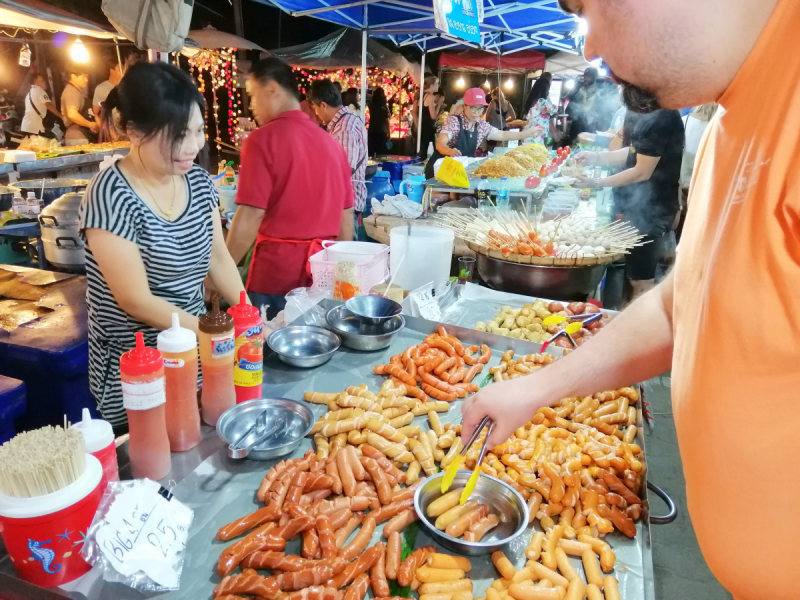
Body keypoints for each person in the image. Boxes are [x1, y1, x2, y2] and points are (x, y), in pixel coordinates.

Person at [462, 0, 799, 598]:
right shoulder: (733, 115)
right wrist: (537, 388)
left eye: (588, 8)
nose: (588, 48)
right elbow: (681, 307)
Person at [79, 62, 244, 431]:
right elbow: (135, 300)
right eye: (178, 135)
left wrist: (246, 319)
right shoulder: (110, 194)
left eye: (199, 131)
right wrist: (214, 332)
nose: (193, 147)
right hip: (141, 370)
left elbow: (218, 257)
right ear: (134, 131)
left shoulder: (200, 183)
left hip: (200, 354)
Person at [226, 58, 354, 320]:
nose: (251, 106)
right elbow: (347, 216)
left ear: (271, 89)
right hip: (321, 278)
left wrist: (220, 274)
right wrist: (340, 273)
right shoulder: (332, 145)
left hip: (273, 279)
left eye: (252, 95)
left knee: (261, 355)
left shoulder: (261, 141)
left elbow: (250, 216)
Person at [573, 108, 684, 301]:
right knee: (633, 276)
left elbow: (642, 171)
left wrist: (596, 183)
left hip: (651, 209)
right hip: (636, 204)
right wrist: (596, 157)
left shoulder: (660, 115)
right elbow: (635, 152)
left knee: (642, 281)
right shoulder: (643, 112)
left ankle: (642, 328)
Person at [425, 88, 542, 179]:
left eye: (480, 109)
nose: (476, 113)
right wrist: (449, 151)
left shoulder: (480, 124)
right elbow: (440, 144)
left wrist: (525, 134)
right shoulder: (454, 121)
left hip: (458, 172)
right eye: (473, 108)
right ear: (465, 106)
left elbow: (501, 135)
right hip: (439, 170)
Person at [308, 80, 368, 240]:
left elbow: (343, 170)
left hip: (345, 206)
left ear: (323, 105)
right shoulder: (345, 122)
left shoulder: (345, 128)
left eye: (315, 109)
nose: (317, 115)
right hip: (344, 204)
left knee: (344, 256)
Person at [678, 103, 718, 240]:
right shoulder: (718, 126)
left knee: (682, 224)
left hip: (682, 181)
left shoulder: (684, 121)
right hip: (706, 185)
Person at [61, 68, 97, 146]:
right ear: (73, 76)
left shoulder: (75, 90)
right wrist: (90, 124)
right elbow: (72, 114)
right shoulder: (71, 91)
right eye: (84, 76)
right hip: (77, 136)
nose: (86, 80)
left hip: (81, 135)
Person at [565, 67, 600, 144]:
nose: (585, 79)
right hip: (577, 122)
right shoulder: (579, 88)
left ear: (594, 78)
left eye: (588, 77)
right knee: (573, 143)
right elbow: (571, 102)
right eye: (585, 77)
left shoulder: (598, 92)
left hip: (589, 124)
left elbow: (599, 109)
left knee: (586, 144)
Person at [21, 73, 63, 137]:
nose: (45, 82)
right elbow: (49, 105)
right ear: (36, 82)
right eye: (42, 81)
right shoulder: (40, 91)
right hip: (34, 127)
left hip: (26, 126)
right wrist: (61, 116)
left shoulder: (29, 94)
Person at [522, 73, 557, 146]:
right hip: (536, 136)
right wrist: (559, 107)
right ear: (544, 89)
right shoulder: (541, 101)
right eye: (548, 89)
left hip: (530, 133)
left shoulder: (532, 100)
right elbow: (553, 109)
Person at [418, 76, 444, 158]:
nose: (438, 86)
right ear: (432, 85)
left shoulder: (422, 95)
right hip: (427, 126)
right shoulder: (430, 96)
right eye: (437, 84)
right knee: (429, 149)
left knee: (423, 148)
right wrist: (439, 104)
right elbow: (433, 116)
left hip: (422, 124)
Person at [367, 87, 390, 156]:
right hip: (382, 131)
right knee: (381, 152)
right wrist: (389, 133)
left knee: (371, 151)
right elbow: (387, 121)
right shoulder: (384, 107)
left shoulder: (371, 105)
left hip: (372, 130)